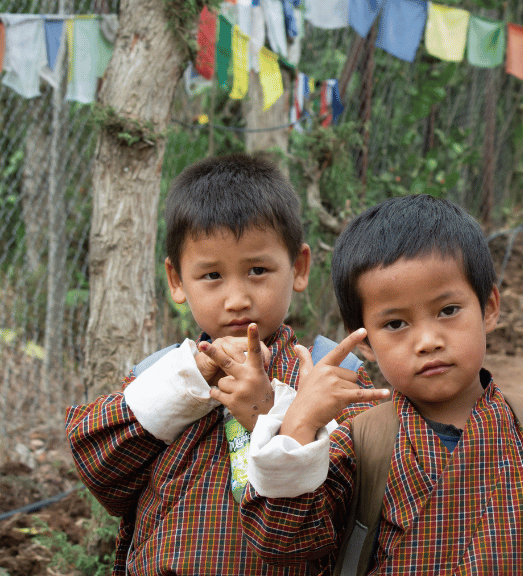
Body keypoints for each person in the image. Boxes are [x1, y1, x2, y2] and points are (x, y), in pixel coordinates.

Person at [236, 194, 523, 575]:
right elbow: (282, 543)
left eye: (448, 311)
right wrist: (300, 426)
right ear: (366, 342)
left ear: (489, 307)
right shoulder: (358, 444)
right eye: (396, 324)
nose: (428, 341)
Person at [65, 154, 388, 575]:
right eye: (212, 276)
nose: (236, 299)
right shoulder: (162, 374)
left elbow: (309, 534)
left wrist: (269, 418)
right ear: (177, 281)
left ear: (299, 268)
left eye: (257, 270)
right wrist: (190, 379)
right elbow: (103, 474)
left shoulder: (326, 382)